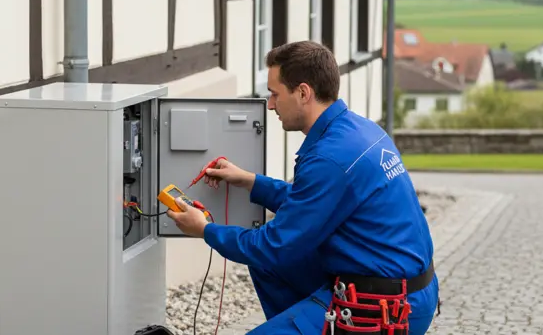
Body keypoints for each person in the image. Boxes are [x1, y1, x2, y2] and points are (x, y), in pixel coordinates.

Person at [166, 40, 439, 334]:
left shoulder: (329, 159)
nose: (270, 104)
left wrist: (205, 230)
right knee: (268, 266)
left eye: (274, 94)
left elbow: (275, 246)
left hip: (384, 306)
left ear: (304, 93)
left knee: (267, 257)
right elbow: (310, 205)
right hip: (404, 287)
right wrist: (250, 181)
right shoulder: (358, 129)